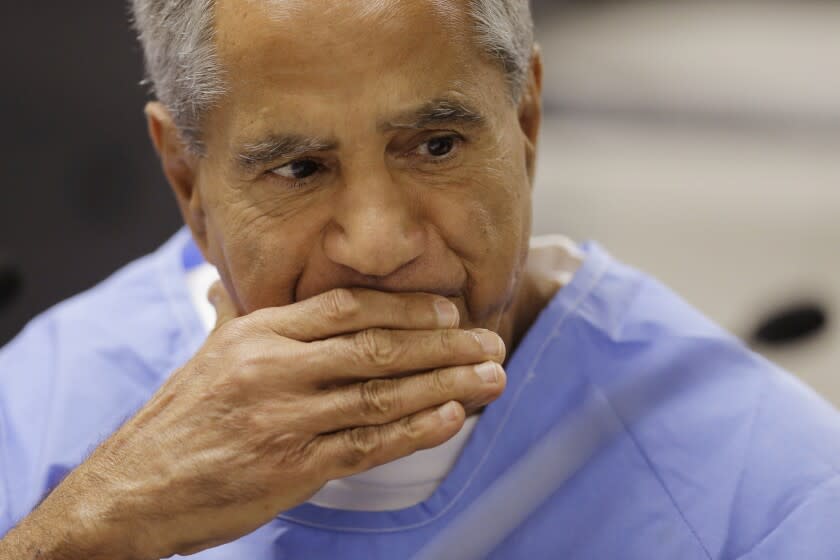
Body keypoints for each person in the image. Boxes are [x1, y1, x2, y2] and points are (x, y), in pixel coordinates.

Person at [2, 0, 840, 558]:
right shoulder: (42, 403)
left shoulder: (771, 487)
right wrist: (90, 530)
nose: (379, 244)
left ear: (526, 125)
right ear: (187, 182)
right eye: (298, 168)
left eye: (436, 146)